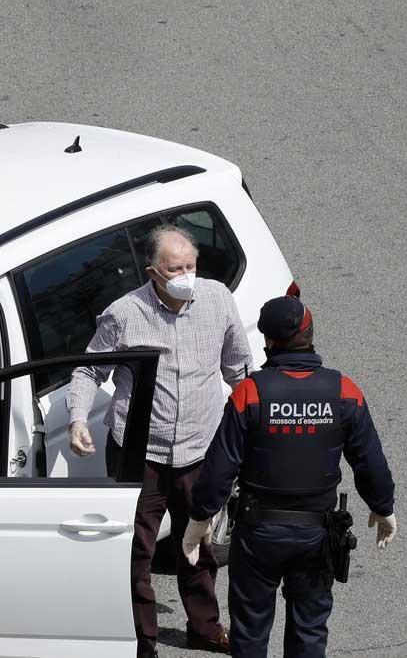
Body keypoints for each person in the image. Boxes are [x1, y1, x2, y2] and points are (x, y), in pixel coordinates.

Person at [67, 225, 250, 657]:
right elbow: (89, 370)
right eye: (175, 269)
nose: (185, 275)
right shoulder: (124, 314)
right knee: (135, 550)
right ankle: (140, 638)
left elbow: (239, 370)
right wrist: (77, 419)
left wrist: (252, 432)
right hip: (139, 452)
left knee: (199, 544)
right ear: (153, 272)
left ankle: (204, 628)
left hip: (199, 449)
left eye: (190, 266)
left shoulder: (217, 300)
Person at [183, 295, 397, 657]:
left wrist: (199, 519)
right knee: (310, 632)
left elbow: (221, 466)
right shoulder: (344, 391)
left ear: (268, 341)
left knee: (250, 632)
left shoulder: (250, 392)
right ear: (311, 335)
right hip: (317, 533)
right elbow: (369, 459)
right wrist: (383, 506)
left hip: (258, 532)